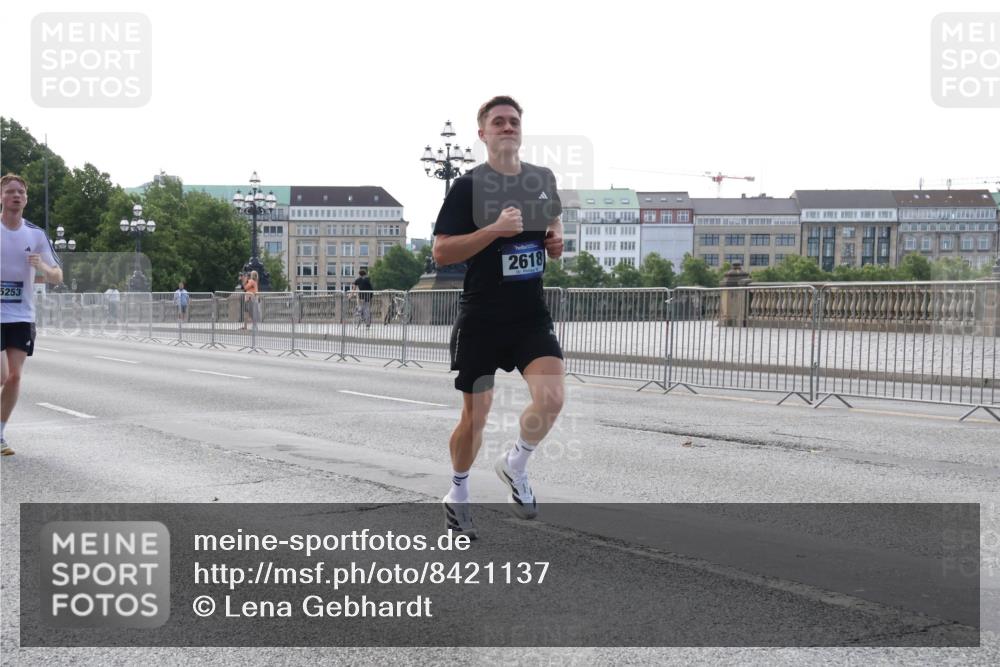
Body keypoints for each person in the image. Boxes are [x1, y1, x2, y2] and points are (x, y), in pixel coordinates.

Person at [431, 96, 565, 538]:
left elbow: (555, 216)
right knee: (477, 417)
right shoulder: (468, 187)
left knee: (552, 399)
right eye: (498, 122)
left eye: (513, 121)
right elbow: (441, 251)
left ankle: (516, 463)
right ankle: (458, 493)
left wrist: (555, 238)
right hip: (483, 317)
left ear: (520, 131)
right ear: (483, 134)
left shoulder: (541, 179)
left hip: (529, 314)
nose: (507, 127)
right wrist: (492, 231)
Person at [1, 174, 63, 456]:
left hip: (21, 314)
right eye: (10, 191)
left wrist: (43, 268)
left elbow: (57, 276)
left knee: (14, 377)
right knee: (0, 376)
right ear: (1, 196)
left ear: (26, 199)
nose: (16, 196)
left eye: (21, 192)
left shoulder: (35, 235)